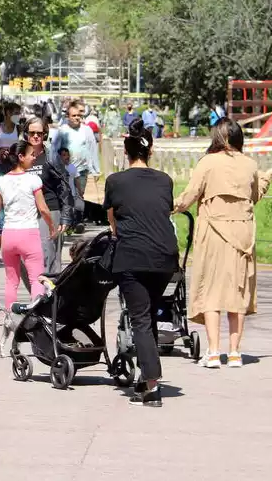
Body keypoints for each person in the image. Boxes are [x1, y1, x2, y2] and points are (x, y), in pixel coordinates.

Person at [174, 118, 272, 369]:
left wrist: (169, 207)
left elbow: (190, 195)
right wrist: (267, 176)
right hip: (243, 233)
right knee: (238, 290)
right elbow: (254, 196)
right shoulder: (249, 165)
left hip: (214, 230)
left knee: (212, 290)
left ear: (218, 138)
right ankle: (234, 353)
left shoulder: (208, 163)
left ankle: (213, 352)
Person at [104, 120, 178, 407]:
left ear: (126, 151)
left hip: (133, 256)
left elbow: (113, 220)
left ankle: (151, 386)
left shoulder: (116, 181)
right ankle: (147, 376)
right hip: (165, 258)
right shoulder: (165, 180)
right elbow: (161, 211)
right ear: (151, 151)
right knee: (147, 316)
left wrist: (116, 231)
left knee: (141, 320)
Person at [0, 142, 57, 355]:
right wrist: (52, 226)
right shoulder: (33, 180)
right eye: (30, 155)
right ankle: (36, 319)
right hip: (29, 234)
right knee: (37, 278)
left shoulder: (1, 181)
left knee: (11, 281)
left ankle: (10, 318)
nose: (34, 158)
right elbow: (43, 208)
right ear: (20, 156)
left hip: (9, 235)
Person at [21, 117, 74, 275]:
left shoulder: (52, 157)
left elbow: (64, 187)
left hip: (50, 211)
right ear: (26, 134)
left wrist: (65, 216)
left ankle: (50, 295)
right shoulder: (20, 156)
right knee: (23, 258)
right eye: (32, 133)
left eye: (40, 133)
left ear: (45, 134)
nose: (36, 136)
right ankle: (37, 293)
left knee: (48, 256)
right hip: (25, 213)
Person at [52, 99, 99, 202]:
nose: (77, 118)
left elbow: (92, 149)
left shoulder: (87, 130)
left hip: (82, 171)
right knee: (67, 197)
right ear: (68, 117)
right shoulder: (61, 131)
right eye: (73, 116)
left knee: (79, 197)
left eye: (78, 115)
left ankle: (77, 216)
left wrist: (96, 170)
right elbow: (54, 151)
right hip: (67, 170)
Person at [0, 102, 20, 179]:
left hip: (14, 166)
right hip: (0, 165)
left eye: (19, 113)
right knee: (0, 189)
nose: (19, 116)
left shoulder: (19, 128)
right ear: (8, 113)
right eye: (16, 113)